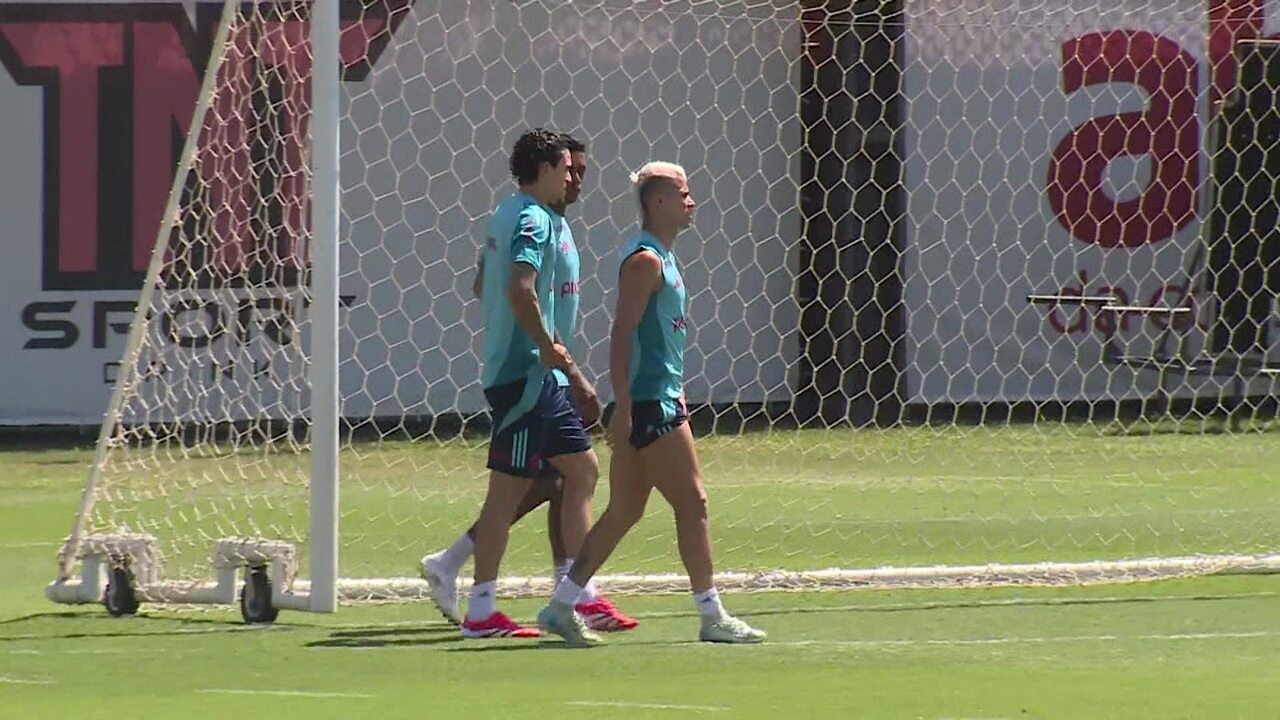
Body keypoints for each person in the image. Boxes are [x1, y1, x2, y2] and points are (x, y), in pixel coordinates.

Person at [536, 162, 767, 646]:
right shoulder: (645, 261)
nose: (691, 201)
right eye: (683, 194)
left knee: (624, 511)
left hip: (655, 399)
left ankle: (561, 605)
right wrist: (625, 404)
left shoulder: (662, 256)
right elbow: (622, 333)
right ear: (657, 202)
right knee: (694, 503)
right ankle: (712, 615)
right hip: (652, 406)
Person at [422, 134, 636, 633]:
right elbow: (519, 288)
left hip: (536, 372)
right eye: (566, 167)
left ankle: (577, 592)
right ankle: (482, 608)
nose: (573, 177)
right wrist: (540, 343)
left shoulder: (517, 214)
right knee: (508, 494)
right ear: (542, 167)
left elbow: (485, 284)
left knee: (579, 471)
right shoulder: (531, 219)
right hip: (523, 374)